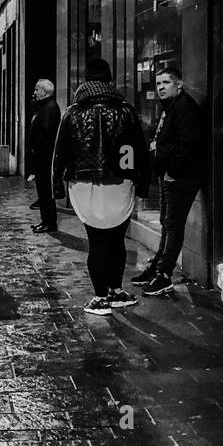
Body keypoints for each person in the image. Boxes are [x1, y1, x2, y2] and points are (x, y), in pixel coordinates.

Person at [52, 57, 150, 316]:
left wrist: (57, 188)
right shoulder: (126, 110)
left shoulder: (72, 112)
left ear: (85, 81)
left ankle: (99, 297)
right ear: (110, 80)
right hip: (121, 183)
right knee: (117, 241)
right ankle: (116, 291)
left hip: (84, 185)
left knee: (96, 242)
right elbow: (139, 151)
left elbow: (60, 153)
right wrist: (142, 185)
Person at [132, 65, 203, 297]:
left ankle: (164, 275)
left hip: (181, 177)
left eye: (166, 83)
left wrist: (173, 171)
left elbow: (189, 145)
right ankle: (157, 268)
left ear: (179, 84)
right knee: (166, 222)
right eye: (158, 83)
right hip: (169, 175)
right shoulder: (171, 107)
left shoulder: (185, 108)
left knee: (173, 225)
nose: (161, 87)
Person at [27, 78, 61, 233]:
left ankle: (49, 222)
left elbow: (48, 134)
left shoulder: (50, 108)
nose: (34, 92)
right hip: (41, 157)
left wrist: (38, 148)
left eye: (37, 89)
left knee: (46, 191)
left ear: (45, 92)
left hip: (45, 158)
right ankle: (45, 220)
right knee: (42, 191)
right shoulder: (44, 107)